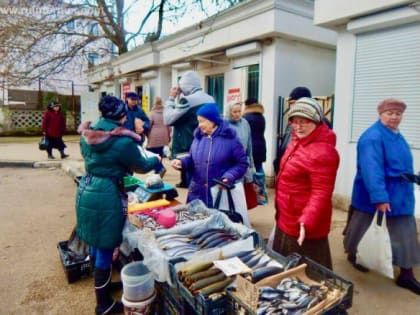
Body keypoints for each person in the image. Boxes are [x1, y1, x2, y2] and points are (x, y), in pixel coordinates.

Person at [76, 95, 160, 314]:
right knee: (105, 244)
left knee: (95, 240)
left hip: (87, 187)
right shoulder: (123, 142)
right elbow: (141, 165)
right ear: (121, 116)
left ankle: (102, 287)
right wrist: (157, 160)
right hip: (107, 193)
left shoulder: (87, 134)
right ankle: (102, 304)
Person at [343, 98, 420, 295]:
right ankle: (354, 254)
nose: (394, 117)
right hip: (378, 194)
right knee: (363, 226)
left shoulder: (395, 134)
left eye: (398, 113)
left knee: (404, 232)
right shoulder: (373, 137)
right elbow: (371, 169)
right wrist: (379, 197)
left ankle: (406, 273)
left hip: (400, 194)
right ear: (380, 114)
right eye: (390, 113)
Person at [273, 97, 340, 270]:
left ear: (317, 122)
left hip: (303, 221)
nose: (298, 126)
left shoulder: (324, 152)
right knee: (285, 267)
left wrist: (306, 220)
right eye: (295, 121)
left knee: (308, 271)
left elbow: (321, 192)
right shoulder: (297, 141)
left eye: (304, 122)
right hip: (286, 215)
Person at [170, 103, 249, 221]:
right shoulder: (198, 138)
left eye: (202, 121)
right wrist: (182, 163)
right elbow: (192, 159)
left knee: (215, 231)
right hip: (196, 194)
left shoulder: (230, 139)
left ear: (212, 121)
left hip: (218, 195)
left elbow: (242, 163)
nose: (199, 125)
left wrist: (230, 176)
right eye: (198, 121)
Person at [164, 70, 214, 188]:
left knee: (193, 184)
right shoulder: (210, 99)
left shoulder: (187, 100)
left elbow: (168, 119)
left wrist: (171, 98)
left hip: (187, 144)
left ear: (185, 86)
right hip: (206, 143)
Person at [273, 87, 332, 174]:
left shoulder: (320, 122)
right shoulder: (294, 120)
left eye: (294, 103)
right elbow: (287, 143)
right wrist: (278, 161)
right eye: (291, 103)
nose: (292, 106)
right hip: (287, 170)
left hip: (301, 174)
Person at [227, 102, 254, 184]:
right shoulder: (224, 124)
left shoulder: (245, 123)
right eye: (234, 112)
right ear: (229, 112)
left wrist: (251, 164)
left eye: (239, 111)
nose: (238, 114)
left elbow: (249, 144)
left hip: (243, 162)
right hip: (230, 164)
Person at [242, 97, 266, 173]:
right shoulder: (261, 117)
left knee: (249, 169)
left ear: (247, 106)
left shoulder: (246, 118)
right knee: (259, 167)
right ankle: (261, 183)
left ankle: (254, 184)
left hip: (251, 146)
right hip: (261, 145)